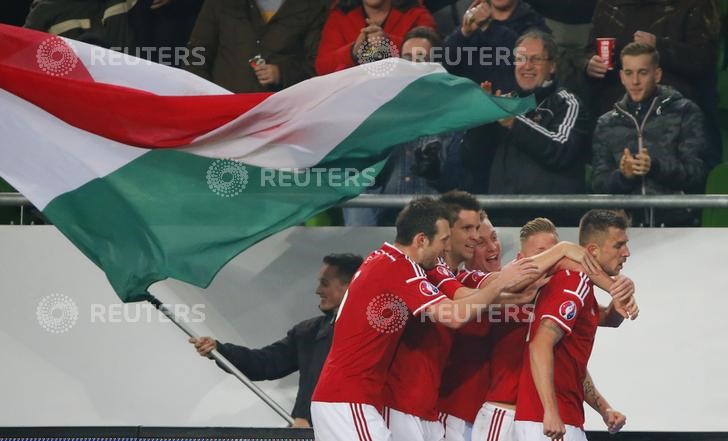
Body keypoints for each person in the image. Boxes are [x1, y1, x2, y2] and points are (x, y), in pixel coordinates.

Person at [311, 197, 541, 441]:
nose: (444, 248)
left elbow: (457, 304)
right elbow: (454, 315)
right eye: (442, 241)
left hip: (352, 398)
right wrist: (503, 282)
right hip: (347, 399)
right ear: (421, 240)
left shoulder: (387, 261)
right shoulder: (399, 268)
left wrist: (510, 297)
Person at [472, 217, 632, 441]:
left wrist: (603, 408)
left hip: (539, 417)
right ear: (521, 260)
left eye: (556, 251)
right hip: (504, 414)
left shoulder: (559, 295)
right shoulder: (501, 296)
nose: (554, 259)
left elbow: (571, 361)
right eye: (543, 253)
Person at [189, 253, 363, 428]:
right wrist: (220, 350)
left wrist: (314, 422)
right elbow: (264, 363)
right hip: (302, 434)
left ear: (350, 286)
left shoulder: (377, 335)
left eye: (325, 283)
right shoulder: (307, 333)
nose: (318, 290)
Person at [343, 27, 465, 226]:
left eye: (421, 59)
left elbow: (461, 180)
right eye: (407, 59)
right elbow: (361, 173)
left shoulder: (452, 114)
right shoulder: (380, 109)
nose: (412, 66)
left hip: (433, 222)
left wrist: (437, 173)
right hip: (386, 219)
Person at [591, 42, 707, 227]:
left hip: (677, 227)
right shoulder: (606, 123)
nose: (635, 81)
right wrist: (623, 176)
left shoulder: (685, 112)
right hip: (624, 232)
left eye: (643, 73)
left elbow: (696, 174)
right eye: (629, 73)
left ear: (657, 75)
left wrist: (654, 167)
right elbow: (598, 183)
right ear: (621, 76)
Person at [488, 30, 591, 227]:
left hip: (553, 225)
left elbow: (560, 150)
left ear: (552, 66)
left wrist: (514, 123)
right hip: (503, 222)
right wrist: (482, 115)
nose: (527, 66)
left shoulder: (567, 103)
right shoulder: (504, 105)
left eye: (535, 59)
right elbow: (473, 157)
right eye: (521, 59)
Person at [186, 0, 329, 92]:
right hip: (222, 113)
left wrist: (282, 73)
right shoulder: (221, 3)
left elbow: (316, 66)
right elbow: (196, 53)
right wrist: (205, 93)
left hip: (279, 118)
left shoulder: (314, 6)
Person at [315, 0, 435, 75]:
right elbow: (322, 67)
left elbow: (431, 58)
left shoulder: (417, 14)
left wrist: (388, 44)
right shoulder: (339, 15)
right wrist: (353, 51)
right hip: (355, 98)